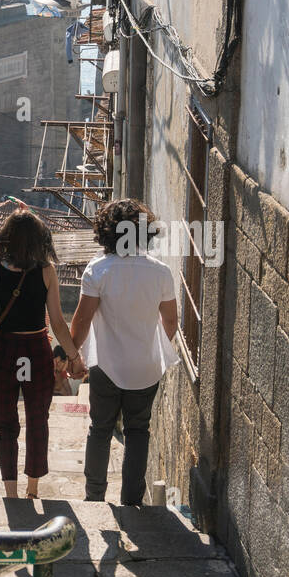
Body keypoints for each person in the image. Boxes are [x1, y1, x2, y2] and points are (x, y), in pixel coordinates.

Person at [70, 197, 179, 506]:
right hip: (145, 367)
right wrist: (153, 349)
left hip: (106, 364)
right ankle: (131, 500)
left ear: (106, 233)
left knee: (100, 429)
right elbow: (170, 320)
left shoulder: (98, 270)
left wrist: (72, 355)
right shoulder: (160, 272)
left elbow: (82, 320)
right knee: (138, 431)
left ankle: (94, 496)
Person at [0, 207, 84, 499]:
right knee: (37, 419)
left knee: (4, 421)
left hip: (4, 350)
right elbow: (58, 323)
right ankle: (32, 490)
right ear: (39, 240)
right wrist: (73, 357)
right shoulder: (47, 271)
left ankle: (10, 491)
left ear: (5, 238)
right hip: (35, 350)